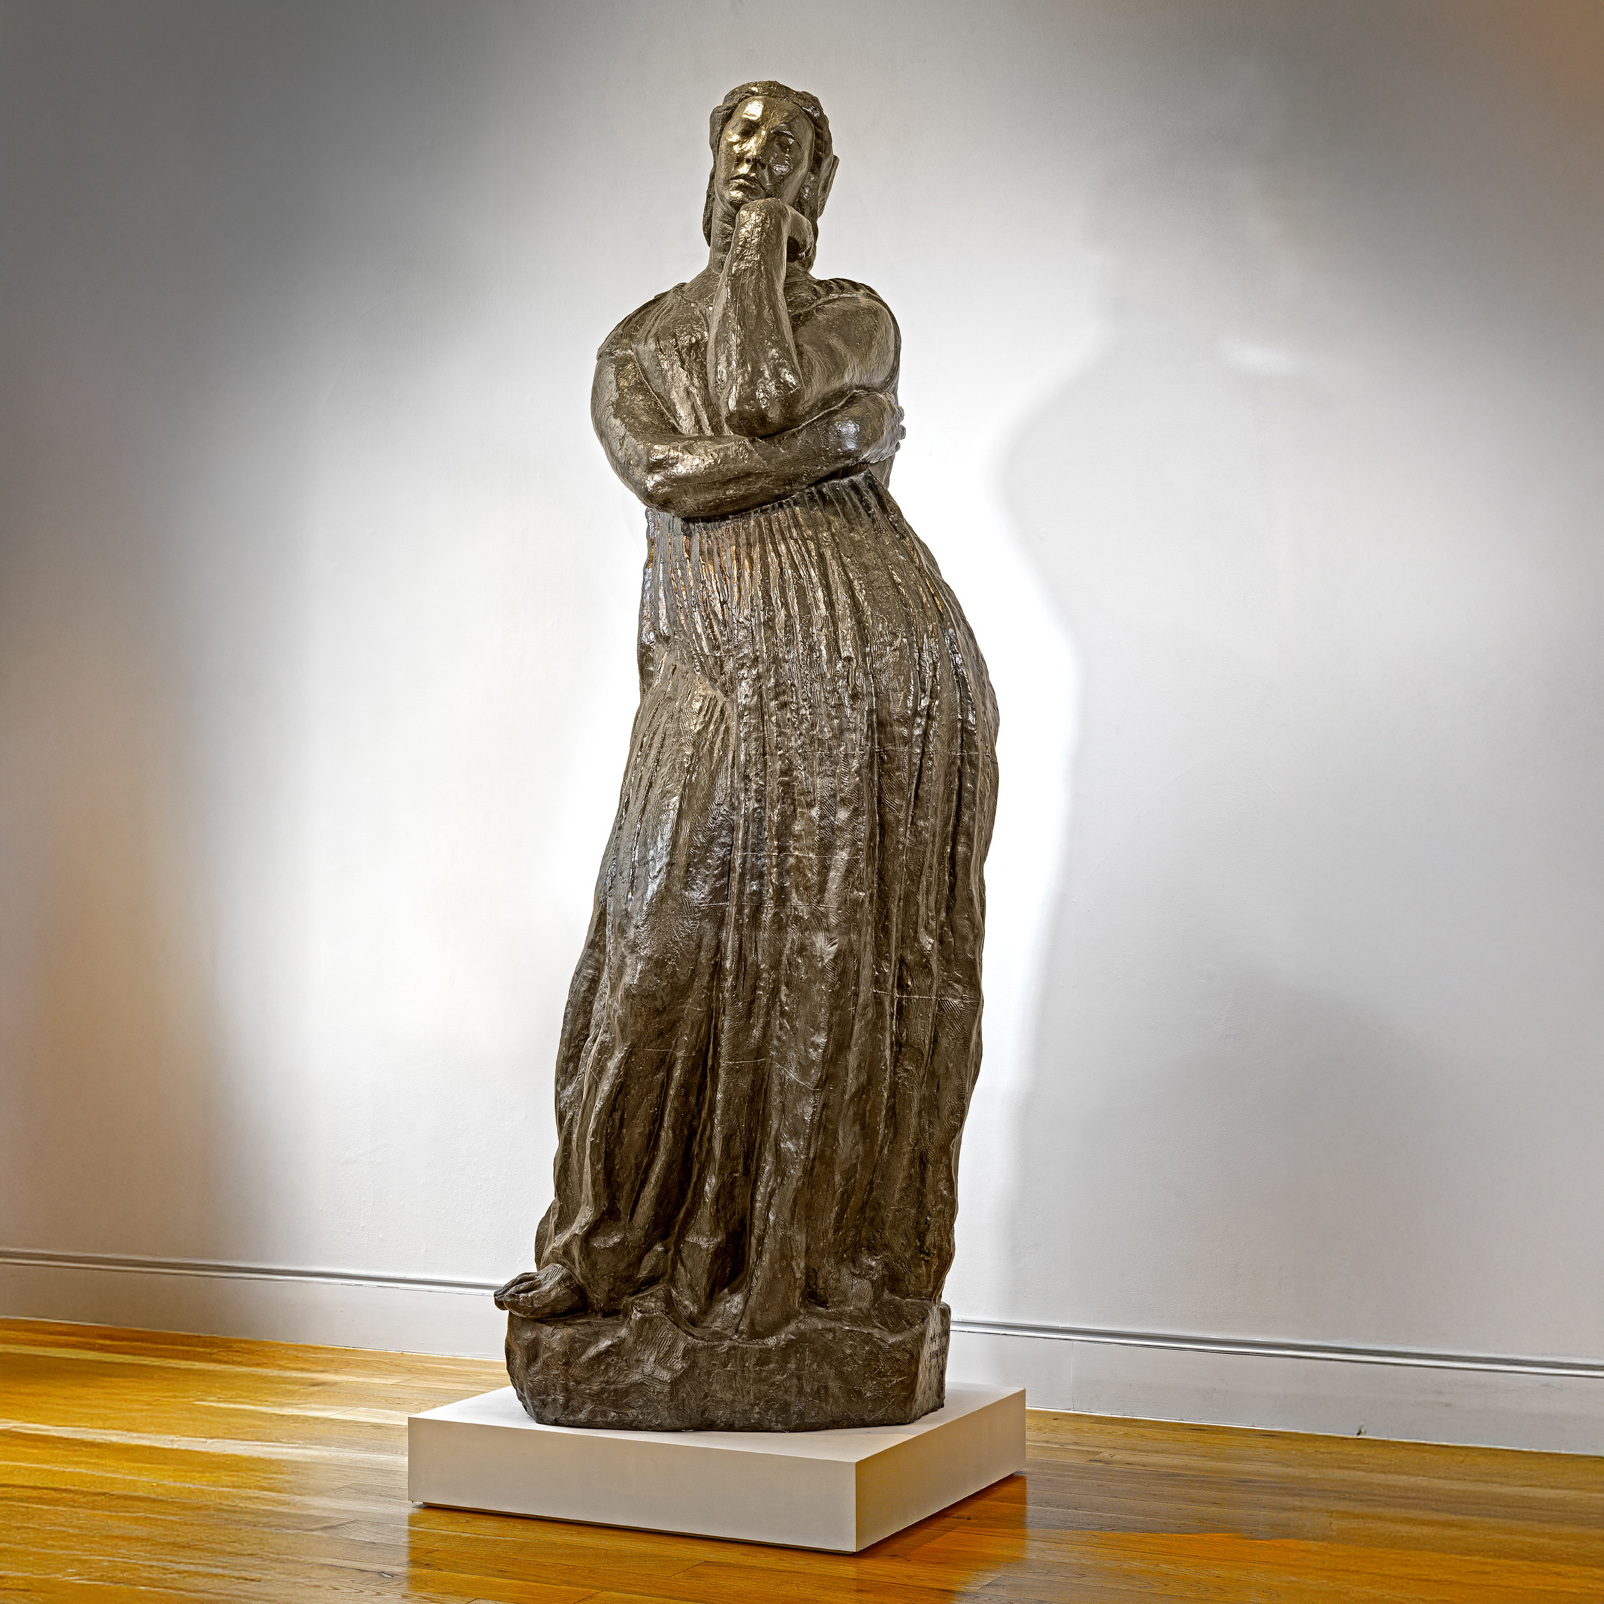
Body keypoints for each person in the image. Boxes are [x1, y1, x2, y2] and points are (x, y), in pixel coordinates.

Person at [496, 81, 998, 1429]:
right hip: (720, 671)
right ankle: (606, 1249)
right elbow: (678, 472)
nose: (760, 159)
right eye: (742, 139)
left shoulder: (854, 317)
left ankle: (806, 1267)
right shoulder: (640, 342)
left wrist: (765, 258)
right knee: (659, 944)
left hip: (872, 677)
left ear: (821, 184)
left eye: (789, 150)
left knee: (835, 963)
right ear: (707, 159)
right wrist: (829, 448)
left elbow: (762, 390)